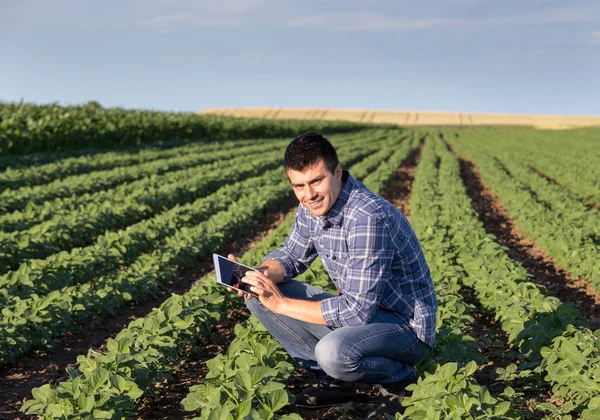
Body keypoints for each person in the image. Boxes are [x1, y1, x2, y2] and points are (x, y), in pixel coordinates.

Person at [227, 131, 437, 417]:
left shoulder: (367, 218)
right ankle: (335, 380)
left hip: (404, 328)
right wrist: (258, 276)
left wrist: (282, 304)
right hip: (367, 317)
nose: (309, 194)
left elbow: (356, 312)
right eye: (298, 185)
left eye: (316, 181)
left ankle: (400, 379)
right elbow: (291, 256)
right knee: (256, 296)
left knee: (333, 352)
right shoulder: (311, 206)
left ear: (337, 172)